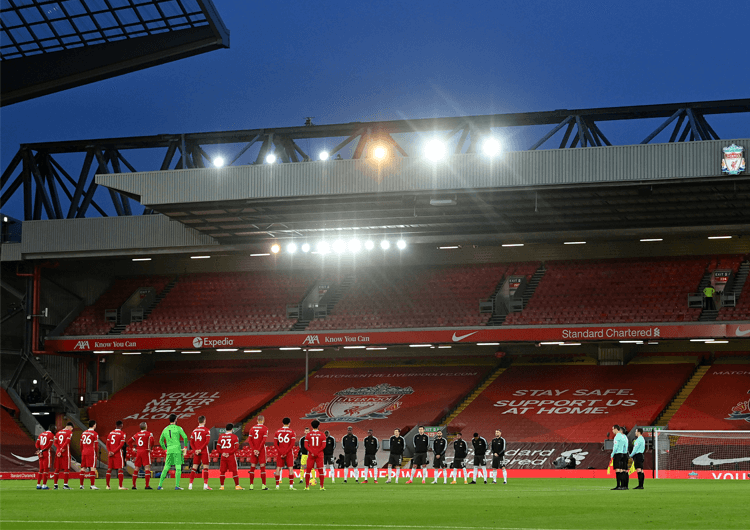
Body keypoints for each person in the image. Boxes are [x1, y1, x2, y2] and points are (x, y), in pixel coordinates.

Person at [157, 413, 188, 490]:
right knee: (178, 467)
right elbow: (185, 437)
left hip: (169, 450)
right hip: (177, 450)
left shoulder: (165, 429)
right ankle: (177, 486)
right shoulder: (178, 428)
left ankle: (160, 485)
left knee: (166, 467)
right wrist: (185, 447)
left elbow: (160, 441)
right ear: (175, 420)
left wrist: (165, 449)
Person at [188, 416, 211, 490]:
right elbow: (207, 442)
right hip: (203, 451)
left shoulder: (194, 431)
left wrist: (195, 450)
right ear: (204, 421)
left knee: (194, 468)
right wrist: (200, 449)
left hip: (196, 451)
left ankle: (190, 485)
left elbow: (191, 443)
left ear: (198, 421)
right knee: (206, 468)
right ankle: (205, 485)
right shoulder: (207, 430)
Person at [130, 422, 155, 490]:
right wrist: (150, 448)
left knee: (136, 468)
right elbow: (152, 441)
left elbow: (129, 441)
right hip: (145, 451)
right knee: (147, 468)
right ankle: (147, 486)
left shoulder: (137, 434)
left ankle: (134, 485)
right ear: (146, 427)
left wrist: (133, 448)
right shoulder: (149, 433)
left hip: (138, 452)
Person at [273, 417, 297, 490]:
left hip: (280, 452)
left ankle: (277, 486)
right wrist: (286, 452)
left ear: (282, 423)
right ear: (289, 423)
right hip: (289, 452)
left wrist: (281, 452)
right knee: (290, 469)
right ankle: (291, 486)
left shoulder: (277, 432)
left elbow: (275, 444)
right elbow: (292, 444)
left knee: (278, 469)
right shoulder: (292, 432)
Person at [218, 423, 243, 490]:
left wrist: (222, 453)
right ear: (232, 429)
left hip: (223, 456)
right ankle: (237, 486)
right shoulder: (234, 437)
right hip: (231, 456)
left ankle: (222, 486)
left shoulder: (221, 437)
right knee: (234, 471)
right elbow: (236, 447)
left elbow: (218, 447)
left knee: (222, 471)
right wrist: (229, 453)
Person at [247, 415, 269, 490]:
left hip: (254, 450)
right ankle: (263, 486)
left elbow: (249, 440)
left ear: (257, 420)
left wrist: (254, 449)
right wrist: (259, 450)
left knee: (252, 467)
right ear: (263, 420)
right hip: (261, 450)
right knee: (262, 467)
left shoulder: (252, 428)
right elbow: (263, 440)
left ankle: (251, 486)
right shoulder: (265, 428)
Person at [303, 419, 326, 490]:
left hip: (311, 455)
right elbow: (324, 445)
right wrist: (317, 451)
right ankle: (321, 486)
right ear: (318, 426)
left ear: (311, 426)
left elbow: (306, 446)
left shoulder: (308, 435)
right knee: (321, 471)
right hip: (319, 455)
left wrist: (312, 452)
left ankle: (307, 487)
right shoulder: (322, 434)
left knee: (308, 471)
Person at [106, 420, 127, 490]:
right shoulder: (122, 433)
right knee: (120, 469)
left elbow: (107, 444)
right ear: (121, 426)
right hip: (117, 453)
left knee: (109, 469)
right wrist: (114, 452)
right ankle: (120, 486)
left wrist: (110, 451)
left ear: (116, 425)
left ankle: (107, 486)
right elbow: (121, 445)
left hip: (110, 453)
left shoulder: (110, 433)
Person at [53, 422, 74, 489]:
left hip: (58, 453)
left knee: (57, 469)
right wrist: (62, 450)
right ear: (70, 427)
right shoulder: (69, 433)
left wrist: (59, 450)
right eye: (72, 429)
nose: (71, 430)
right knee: (66, 469)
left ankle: (55, 485)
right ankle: (65, 485)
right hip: (65, 453)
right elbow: (67, 442)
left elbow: (55, 443)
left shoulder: (58, 432)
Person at [35, 425, 56, 489]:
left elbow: (37, 444)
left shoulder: (41, 434)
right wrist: (42, 450)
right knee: (46, 470)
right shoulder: (51, 435)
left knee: (40, 470)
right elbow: (49, 445)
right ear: (52, 429)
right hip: (46, 453)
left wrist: (39, 450)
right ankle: (44, 485)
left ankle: (38, 485)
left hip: (40, 454)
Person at [79, 420, 99, 490]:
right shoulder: (95, 434)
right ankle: (92, 485)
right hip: (91, 452)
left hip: (84, 452)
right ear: (94, 425)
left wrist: (82, 451)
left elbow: (81, 444)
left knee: (83, 468)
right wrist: (96, 453)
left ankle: (81, 485)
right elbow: (96, 446)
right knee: (92, 467)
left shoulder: (83, 433)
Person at [610, 424, 629, 490]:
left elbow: (615, 446)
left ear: (616, 429)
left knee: (618, 470)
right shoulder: (624, 437)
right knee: (623, 470)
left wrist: (612, 454)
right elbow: (626, 446)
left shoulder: (617, 437)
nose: (612, 431)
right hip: (624, 454)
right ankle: (624, 485)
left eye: (613, 429)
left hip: (618, 454)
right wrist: (624, 453)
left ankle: (619, 485)